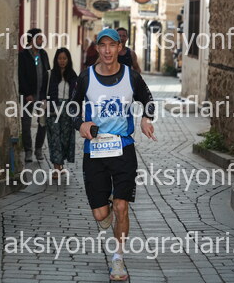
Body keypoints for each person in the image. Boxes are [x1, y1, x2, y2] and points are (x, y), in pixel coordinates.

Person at [69, 28, 156, 281]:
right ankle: (103, 209)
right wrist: (81, 124)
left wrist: (146, 118)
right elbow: (72, 108)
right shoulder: (86, 77)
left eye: (112, 45)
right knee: (101, 215)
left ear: (120, 48)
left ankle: (118, 259)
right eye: (102, 45)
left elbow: (148, 100)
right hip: (94, 150)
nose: (107, 50)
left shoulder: (131, 76)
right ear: (97, 48)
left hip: (123, 149)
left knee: (121, 206)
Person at [18, 28, 50, 162]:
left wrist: (45, 94)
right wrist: (27, 93)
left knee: (43, 123)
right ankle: (28, 151)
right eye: (39, 38)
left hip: (41, 95)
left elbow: (47, 73)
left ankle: (38, 149)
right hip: (28, 96)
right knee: (26, 125)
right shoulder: (23, 55)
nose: (42, 40)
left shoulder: (43, 54)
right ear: (32, 40)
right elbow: (21, 76)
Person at [46, 48, 78, 179]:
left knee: (65, 138)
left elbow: (77, 94)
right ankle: (56, 167)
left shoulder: (73, 75)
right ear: (56, 59)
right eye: (60, 58)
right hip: (53, 109)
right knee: (55, 138)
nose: (62, 61)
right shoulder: (51, 74)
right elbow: (44, 91)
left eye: (64, 58)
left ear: (68, 60)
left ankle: (61, 164)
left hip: (68, 110)